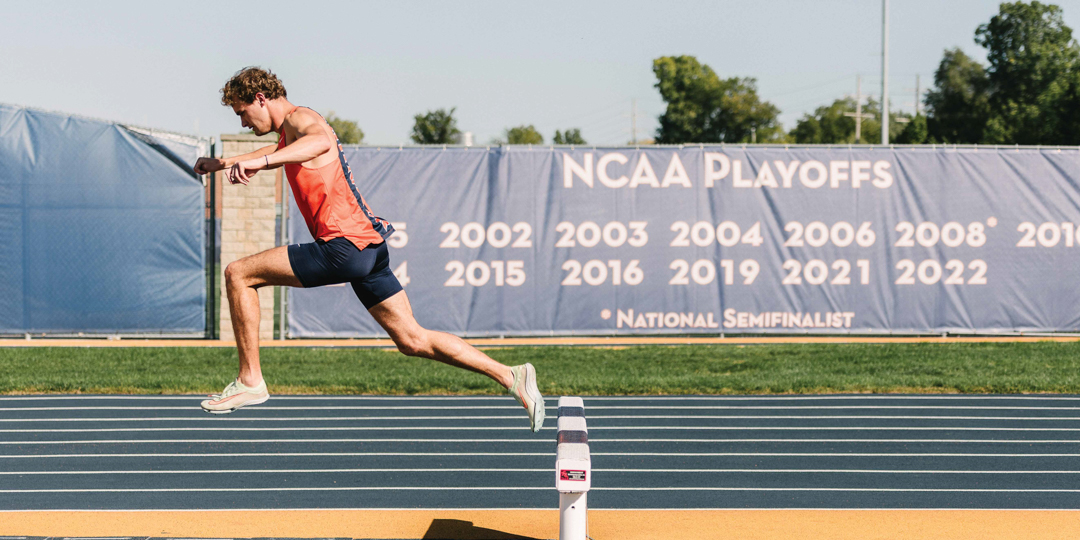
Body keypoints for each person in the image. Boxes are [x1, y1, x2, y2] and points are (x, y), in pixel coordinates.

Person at [192, 67, 545, 432]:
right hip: (369, 247)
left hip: (342, 247)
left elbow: (319, 142)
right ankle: (511, 375)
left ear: (260, 99)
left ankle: (251, 381)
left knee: (239, 273)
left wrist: (259, 162)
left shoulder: (303, 120)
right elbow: (282, 148)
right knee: (412, 339)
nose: (243, 122)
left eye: (241, 112)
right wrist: (225, 163)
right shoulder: (289, 131)